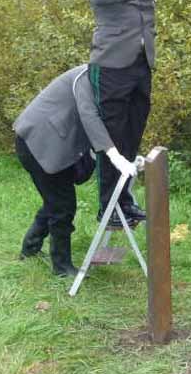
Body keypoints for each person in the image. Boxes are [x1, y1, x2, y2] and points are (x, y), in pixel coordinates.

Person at [83, 0, 191, 222]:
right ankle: (108, 208)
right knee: (111, 138)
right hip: (110, 65)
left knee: (132, 136)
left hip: (141, 65)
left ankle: (124, 201)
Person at [14, 65, 138, 277]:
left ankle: (30, 248)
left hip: (53, 142)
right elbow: (90, 117)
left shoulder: (107, 80)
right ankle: (62, 267)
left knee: (55, 201)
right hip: (38, 142)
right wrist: (114, 155)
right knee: (62, 206)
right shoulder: (89, 77)